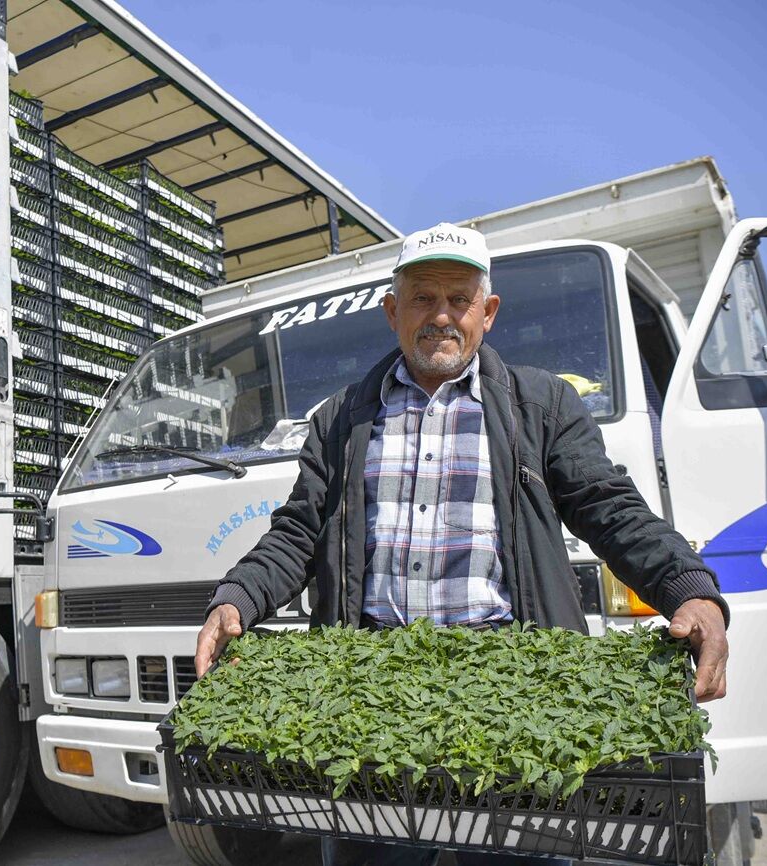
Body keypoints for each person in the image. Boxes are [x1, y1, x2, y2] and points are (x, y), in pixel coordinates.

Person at [194, 222, 730, 866]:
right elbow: (298, 531)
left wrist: (688, 589)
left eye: (459, 299)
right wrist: (238, 597)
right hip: (371, 697)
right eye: (422, 298)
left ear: (488, 313)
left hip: (511, 691)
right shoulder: (341, 419)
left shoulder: (542, 405)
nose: (441, 316)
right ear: (393, 311)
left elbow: (610, 509)